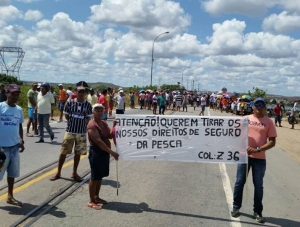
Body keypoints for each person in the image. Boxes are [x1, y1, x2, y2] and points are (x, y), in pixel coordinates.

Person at [231, 97, 277, 224]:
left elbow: (272, 142)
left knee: (258, 186)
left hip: (259, 159)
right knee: (239, 182)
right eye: (257, 104)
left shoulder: (269, 122)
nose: (259, 107)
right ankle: (236, 207)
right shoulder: (245, 119)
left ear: (265, 107)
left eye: (262, 105)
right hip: (244, 157)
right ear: (253, 106)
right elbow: (234, 133)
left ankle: (257, 211)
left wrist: (257, 149)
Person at [50, 86, 92, 182]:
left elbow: (88, 118)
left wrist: (82, 125)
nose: (81, 93)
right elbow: (66, 115)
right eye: (79, 91)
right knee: (63, 152)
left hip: (81, 133)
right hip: (70, 131)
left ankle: (74, 172)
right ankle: (58, 172)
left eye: (83, 91)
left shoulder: (87, 105)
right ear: (75, 92)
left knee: (78, 153)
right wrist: (73, 123)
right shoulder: (70, 103)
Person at [86, 104, 119, 209]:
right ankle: (91, 201)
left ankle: (96, 197)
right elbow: (99, 142)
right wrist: (112, 152)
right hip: (96, 153)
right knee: (94, 177)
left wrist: (114, 126)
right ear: (93, 112)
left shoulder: (103, 123)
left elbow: (109, 135)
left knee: (99, 177)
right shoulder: (92, 124)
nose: (100, 112)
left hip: (104, 153)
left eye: (101, 110)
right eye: (97, 110)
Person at [0, 84, 25, 207]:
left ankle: (10, 196)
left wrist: (21, 140)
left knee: (12, 173)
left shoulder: (19, 110)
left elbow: (19, 125)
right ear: (7, 94)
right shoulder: (0, 107)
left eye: (17, 94)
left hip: (14, 147)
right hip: (1, 148)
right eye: (13, 94)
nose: (15, 96)